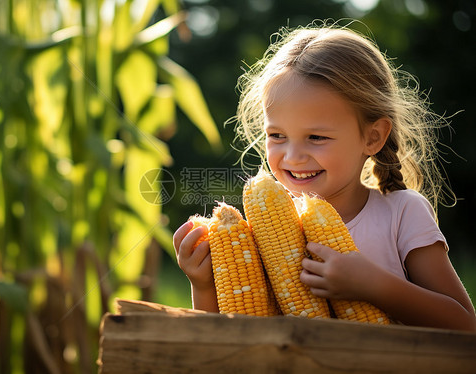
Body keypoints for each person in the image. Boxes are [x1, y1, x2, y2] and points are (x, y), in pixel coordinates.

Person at [173, 22, 476, 331]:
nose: (292, 157)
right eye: (277, 135)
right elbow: (229, 337)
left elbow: (464, 326)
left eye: (316, 137)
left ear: (372, 137)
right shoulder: (257, 232)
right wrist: (204, 284)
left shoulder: (402, 213)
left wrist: (375, 285)